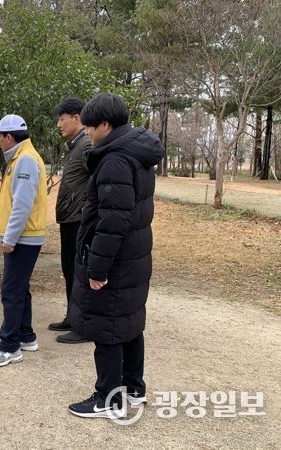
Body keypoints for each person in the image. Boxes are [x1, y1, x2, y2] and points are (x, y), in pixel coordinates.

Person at [67, 93, 163, 418]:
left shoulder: (114, 160)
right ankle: (133, 388)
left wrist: (97, 268)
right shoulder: (135, 152)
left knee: (107, 325)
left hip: (117, 260)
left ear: (106, 125)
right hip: (134, 255)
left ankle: (108, 397)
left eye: (90, 127)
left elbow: (111, 222)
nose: (87, 133)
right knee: (129, 322)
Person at [0, 115, 48, 367]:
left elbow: (22, 204)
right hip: (25, 236)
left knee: (11, 290)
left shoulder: (25, 160)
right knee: (20, 288)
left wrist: (9, 238)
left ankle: (9, 346)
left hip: (24, 238)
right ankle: (26, 336)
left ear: (8, 137)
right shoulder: (21, 158)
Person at [49, 97, 91, 344]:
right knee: (69, 270)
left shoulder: (86, 145)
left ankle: (83, 325)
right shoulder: (76, 145)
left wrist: (86, 210)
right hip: (69, 219)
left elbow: (96, 182)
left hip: (78, 221)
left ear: (77, 118)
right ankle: (72, 317)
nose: (59, 125)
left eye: (62, 119)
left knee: (78, 272)